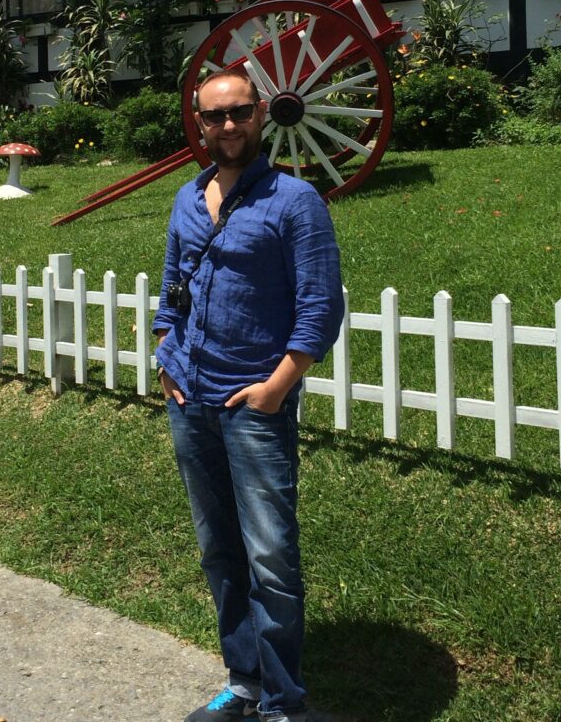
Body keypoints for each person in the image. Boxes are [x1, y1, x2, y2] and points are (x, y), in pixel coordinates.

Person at [152, 69, 345, 722]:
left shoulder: (295, 202)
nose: (228, 126)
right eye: (215, 116)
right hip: (191, 403)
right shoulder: (187, 198)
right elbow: (171, 286)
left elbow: (320, 308)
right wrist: (163, 356)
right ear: (198, 123)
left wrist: (276, 388)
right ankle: (245, 684)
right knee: (220, 552)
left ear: (261, 115)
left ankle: (285, 703)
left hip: (253, 406)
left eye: (239, 113)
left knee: (270, 557)